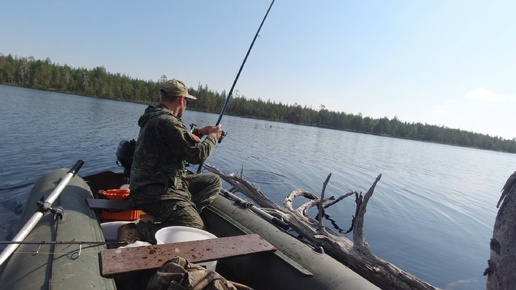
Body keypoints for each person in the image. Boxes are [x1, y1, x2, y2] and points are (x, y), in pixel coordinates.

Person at [118, 79, 223, 244]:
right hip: (152, 189)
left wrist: (199, 132)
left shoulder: (157, 117)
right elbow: (198, 155)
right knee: (194, 225)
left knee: (213, 182)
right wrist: (213, 136)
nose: (186, 105)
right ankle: (138, 231)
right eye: (186, 101)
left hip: (163, 182)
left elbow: (178, 142)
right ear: (181, 100)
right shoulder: (167, 122)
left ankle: (177, 215)